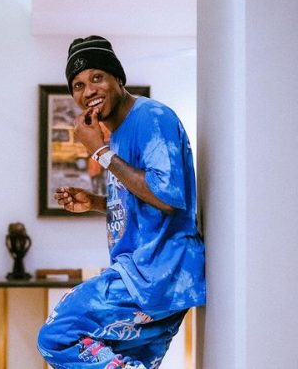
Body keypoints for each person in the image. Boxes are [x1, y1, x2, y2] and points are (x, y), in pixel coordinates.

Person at [37, 35, 206, 369]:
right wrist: (98, 202)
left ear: (118, 78)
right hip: (153, 277)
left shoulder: (152, 118)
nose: (89, 91)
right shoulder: (119, 134)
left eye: (97, 77)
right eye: (78, 85)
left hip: (156, 274)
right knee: (125, 361)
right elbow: (146, 199)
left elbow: (167, 197)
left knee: (57, 336)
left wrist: (100, 152)